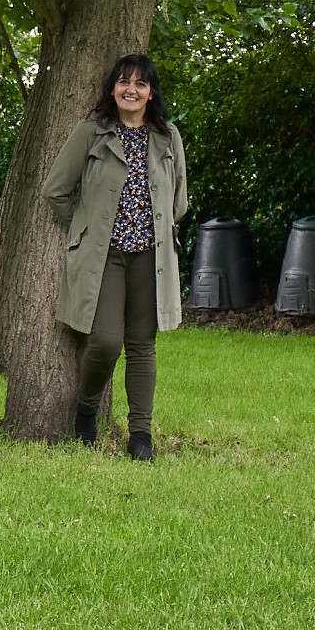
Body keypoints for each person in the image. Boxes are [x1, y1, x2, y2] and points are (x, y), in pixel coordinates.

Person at [42, 53, 189, 461]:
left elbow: (179, 201)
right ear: (112, 89)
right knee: (105, 342)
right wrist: (85, 225)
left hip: (150, 256)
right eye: (124, 81)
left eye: (140, 83)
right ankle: (87, 409)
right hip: (103, 256)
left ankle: (141, 434)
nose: (131, 89)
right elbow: (55, 190)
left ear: (151, 93)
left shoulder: (167, 136)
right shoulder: (93, 131)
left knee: (142, 345)